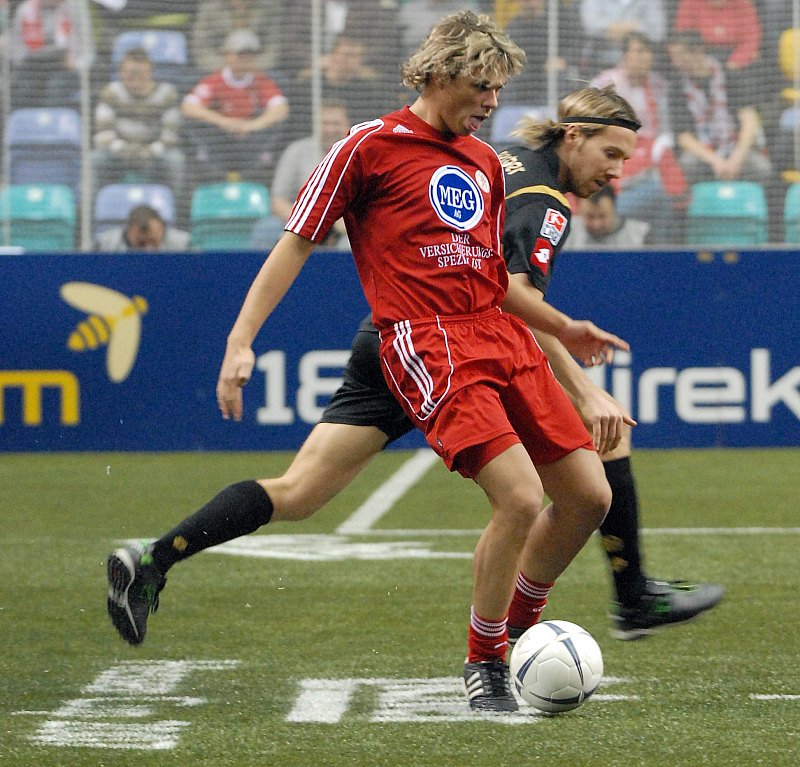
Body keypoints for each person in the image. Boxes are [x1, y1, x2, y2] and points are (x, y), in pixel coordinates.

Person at [107, 11, 635, 714]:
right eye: (482, 86)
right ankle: (488, 659)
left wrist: (563, 325)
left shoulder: (483, 162)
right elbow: (296, 242)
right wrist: (241, 339)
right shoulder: (368, 146)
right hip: (426, 343)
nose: (492, 102)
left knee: (590, 495)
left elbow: (492, 280)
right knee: (517, 498)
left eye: (499, 90)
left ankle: (151, 560)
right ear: (439, 73)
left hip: (496, 336)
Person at [590, 32, 686, 244]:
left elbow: (665, 130)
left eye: (647, 51)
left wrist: (657, 149)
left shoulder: (659, 86)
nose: (644, 57)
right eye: (638, 51)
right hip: (616, 159)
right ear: (625, 56)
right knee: (658, 196)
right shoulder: (605, 84)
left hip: (648, 158)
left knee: (665, 194)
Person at [666, 30, 773, 188]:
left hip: (734, 148)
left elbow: (749, 121)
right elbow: (683, 137)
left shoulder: (730, 75)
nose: (675, 62)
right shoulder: (676, 87)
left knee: (761, 168)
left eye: (679, 56)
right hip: (703, 153)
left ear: (697, 51)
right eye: (673, 57)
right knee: (687, 164)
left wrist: (736, 159)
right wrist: (716, 161)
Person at [181, 29, 289, 183]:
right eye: (240, 54)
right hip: (220, 139)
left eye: (250, 55)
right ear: (228, 55)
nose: (245, 59)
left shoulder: (261, 81)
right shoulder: (215, 80)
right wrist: (224, 122)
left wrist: (251, 126)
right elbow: (189, 106)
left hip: (251, 139)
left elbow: (280, 109)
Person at [249, 99, 352, 251]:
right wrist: (307, 221)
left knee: (350, 244)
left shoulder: (358, 152)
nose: (330, 129)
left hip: (344, 226)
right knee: (267, 229)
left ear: (347, 124)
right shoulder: (297, 151)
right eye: (325, 123)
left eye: (335, 123)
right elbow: (278, 200)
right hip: (301, 222)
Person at [92, 47, 185, 195]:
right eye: (130, 75)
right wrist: (124, 150)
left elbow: (170, 136)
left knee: (175, 160)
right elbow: (103, 134)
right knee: (96, 159)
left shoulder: (167, 94)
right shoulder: (111, 92)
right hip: (119, 153)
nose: (135, 80)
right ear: (121, 73)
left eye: (140, 75)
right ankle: (92, 208)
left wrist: (149, 152)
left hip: (154, 152)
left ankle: (174, 207)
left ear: (150, 72)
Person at [8, 0, 80, 107]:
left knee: (57, 90)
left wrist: (75, 60)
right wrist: (22, 63)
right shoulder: (25, 10)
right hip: (31, 65)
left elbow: (79, 42)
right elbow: (16, 44)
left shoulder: (70, 9)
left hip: (61, 64)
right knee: (23, 88)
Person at [190, 0, 283, 74]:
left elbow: (274, 46)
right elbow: (200, 47)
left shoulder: (269, 8)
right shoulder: (210, 8)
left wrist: (255, 65)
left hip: (258, 69)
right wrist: (226, 67)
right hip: (217, 68)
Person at [577, 0, 667, 76]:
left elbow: (658, 32)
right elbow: (590, 25)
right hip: (599, 64)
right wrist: (632, 27)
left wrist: (614, 30)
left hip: (639, 69)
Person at [565, 183, 650, 249]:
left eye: (602, 216)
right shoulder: (566, 231)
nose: (596, 224)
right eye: (590, 216)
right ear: (579, 210)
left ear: (613, 208)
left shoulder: (639, 234)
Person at [94, 204, 191, 252]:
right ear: (128, 232)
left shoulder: (183, 245)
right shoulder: (105, 246)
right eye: (141, 243)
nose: (148, 250)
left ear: (162, 229)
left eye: (153, 241)